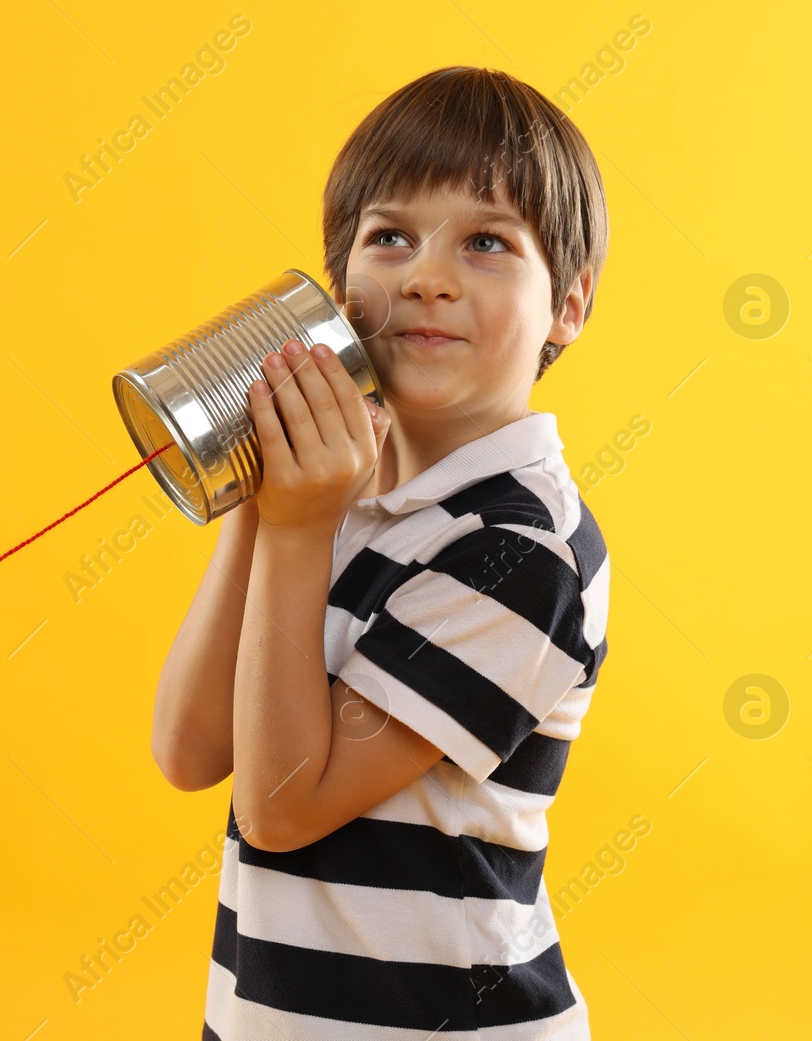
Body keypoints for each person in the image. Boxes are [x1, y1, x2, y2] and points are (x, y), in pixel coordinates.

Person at [151, 65, 612, 1039]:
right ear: (338, 286)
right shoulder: (334, 498)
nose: (424, 275)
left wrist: (297, 527)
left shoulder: (524, 551)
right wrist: (258, 494)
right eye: (389, 237)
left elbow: (282, 806)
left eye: (486, 243)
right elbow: (191, 750)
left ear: (567, 307)